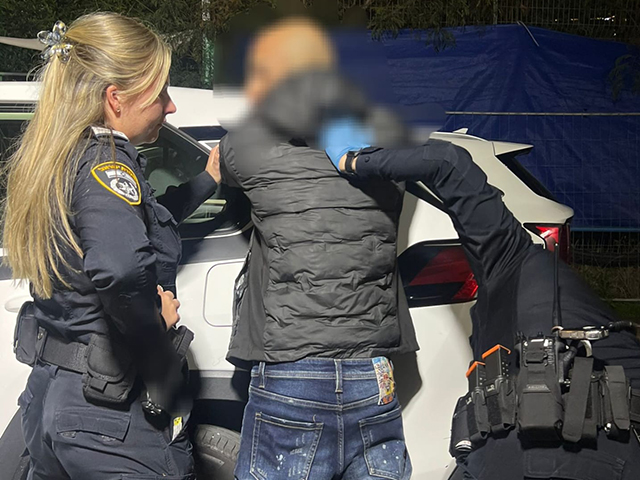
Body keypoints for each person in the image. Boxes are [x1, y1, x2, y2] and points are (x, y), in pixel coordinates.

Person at [321, 123, 640, 479]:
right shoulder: (547, 283)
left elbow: (446, 161)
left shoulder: (508, 259)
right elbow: (446, 162)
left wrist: (353, 161)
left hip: (529, 456)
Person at [3, 13, 221, 479]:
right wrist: (155, 334)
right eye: (160, 93)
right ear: (115, 98)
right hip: (105, 415)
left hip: (54, 397)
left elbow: (141, 221)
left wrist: (207, 180)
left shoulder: (60, 156)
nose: (170, 106)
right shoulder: (107, 160)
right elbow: (120, 267)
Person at [217, 17, 416, 480]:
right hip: (373, 376)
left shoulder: (251, 149)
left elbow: (224, 159)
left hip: (292, 373)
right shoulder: (394, 153)